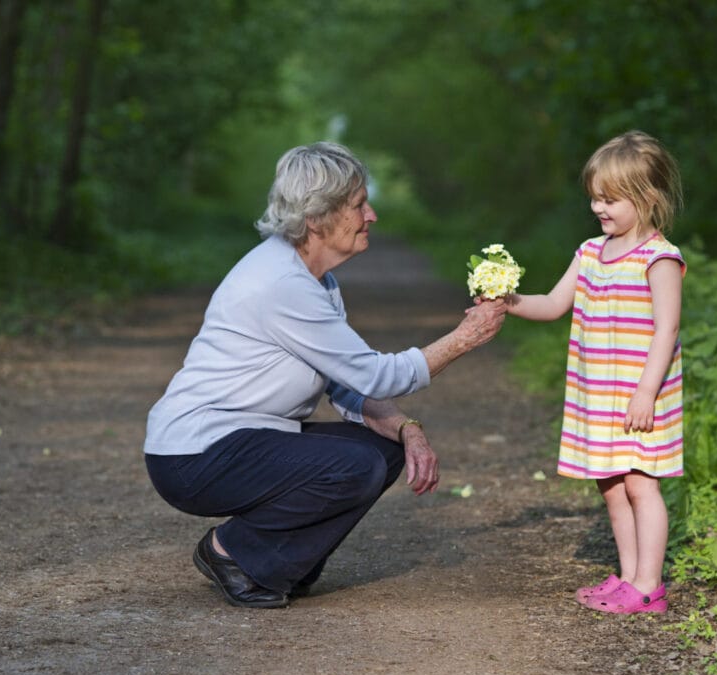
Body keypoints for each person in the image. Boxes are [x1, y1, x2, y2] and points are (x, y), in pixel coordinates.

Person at [143, 142, 507, 609]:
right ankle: (233, 553)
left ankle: (276, 564)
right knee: (355, 466)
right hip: (193, 454)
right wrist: (463, 338)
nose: (371, 215)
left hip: (243, 438)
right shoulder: (281, 284)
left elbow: (346, 385)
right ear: (316, 218)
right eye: (358, 205)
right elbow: (379, 375)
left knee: (381, 451)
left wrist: (405, 428)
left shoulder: (316, 280)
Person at [505, 131, 684, 614]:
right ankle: (628, 577)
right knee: (610, 484)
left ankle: (649, 586)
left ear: (647, 198)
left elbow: (666, 331)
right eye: (594, 197)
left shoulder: (658, 258)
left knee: (641, 484)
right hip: (598, 394)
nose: (598, 207)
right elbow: (553, 304)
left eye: (610, 199)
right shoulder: (589, 252)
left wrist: (646, 391)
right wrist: (508, 301)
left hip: (640, 394)